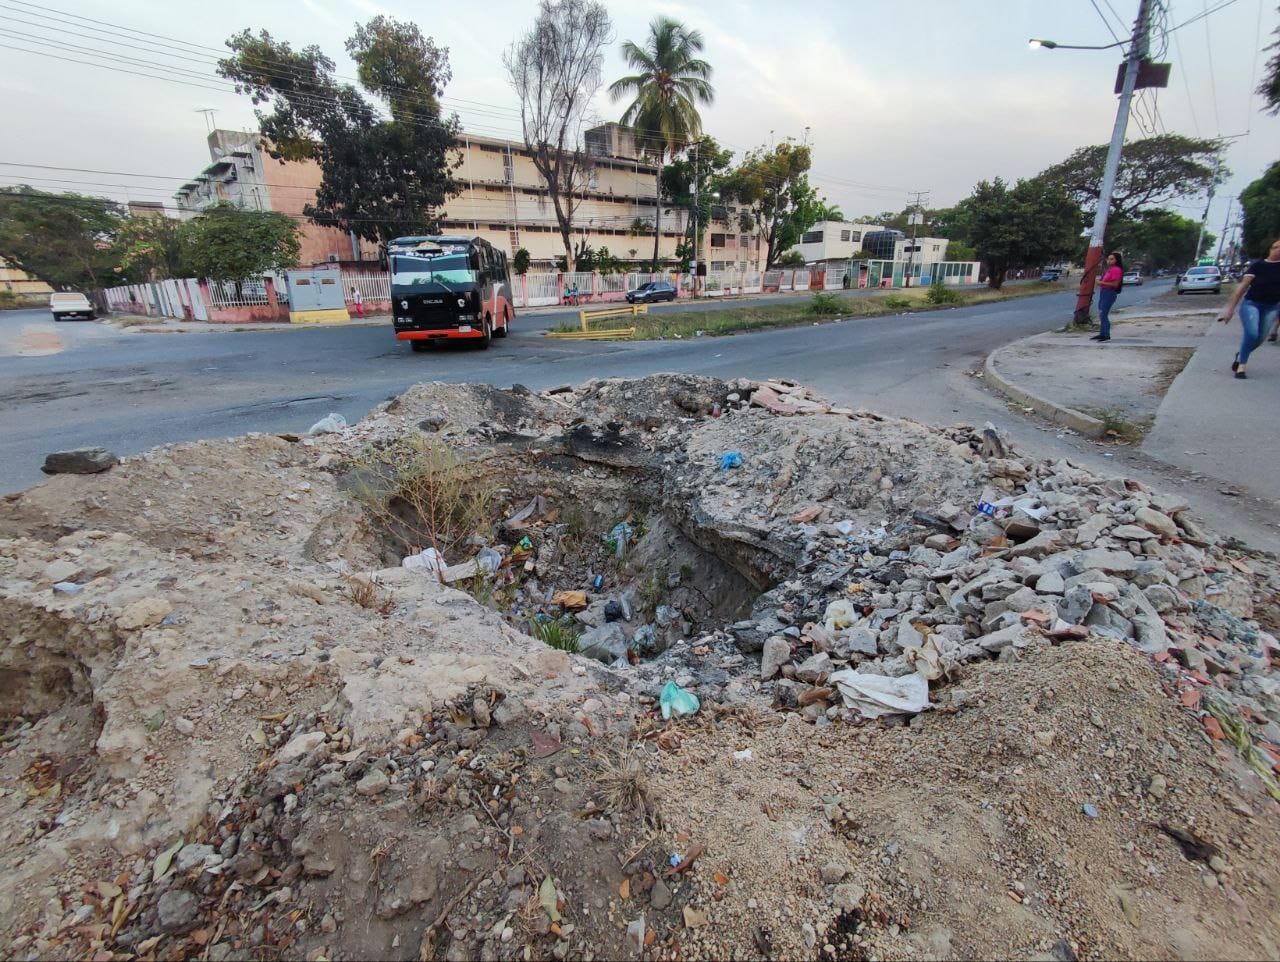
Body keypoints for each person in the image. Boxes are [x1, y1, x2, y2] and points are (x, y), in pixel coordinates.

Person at [1217, 238, 1280, 379]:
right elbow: (1242, 288)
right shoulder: (1258, 266)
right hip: (1252, 304)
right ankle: (1241, 367)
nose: (1277, 250)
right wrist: (1230, 310)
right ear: (1270, 249)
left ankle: (1240, 355)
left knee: (1259, 339)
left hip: (1271, 307)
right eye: (1275, 247)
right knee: (1252, 333)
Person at [1091, 251, 1124, 342]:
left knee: (1103, 313)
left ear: (1116, 260)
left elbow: (1115, 284)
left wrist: (1101, 282)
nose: (1109, 261)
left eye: (1111, 259)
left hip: (1109, 293)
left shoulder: (1116, 270)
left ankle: (1106, 334)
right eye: (1108, 259)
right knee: (1101, 313)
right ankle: (1102, 333)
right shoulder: (1110, 269)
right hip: (1104, 292)